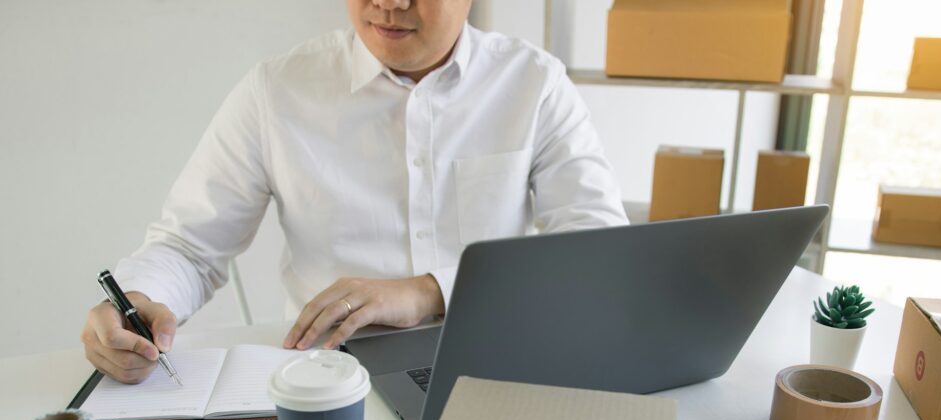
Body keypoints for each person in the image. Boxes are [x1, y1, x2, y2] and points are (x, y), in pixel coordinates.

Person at [81, 0, 627, 384]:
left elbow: (598, 253)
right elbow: (188, 247)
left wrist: (430, 292)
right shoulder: (277, 90)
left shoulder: (534, 82)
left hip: (498, 368)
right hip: (326, 379)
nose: (389, 3)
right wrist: (140, 298)